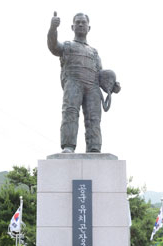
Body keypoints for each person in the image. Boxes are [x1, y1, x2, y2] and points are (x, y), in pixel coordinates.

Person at [48, 12, 119, 153]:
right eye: (78, 22)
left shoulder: (94, 52)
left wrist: (111, 86)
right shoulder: (67, 46)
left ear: (89, 27)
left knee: (94, 118)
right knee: (70, 112)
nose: (81, 24)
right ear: (72, 27)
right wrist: (52, 29)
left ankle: (94, 148)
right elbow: (53, 46)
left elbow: (100, 73)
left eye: (84, 22)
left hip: (93, 86)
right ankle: (68, 146)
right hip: (73, 82)